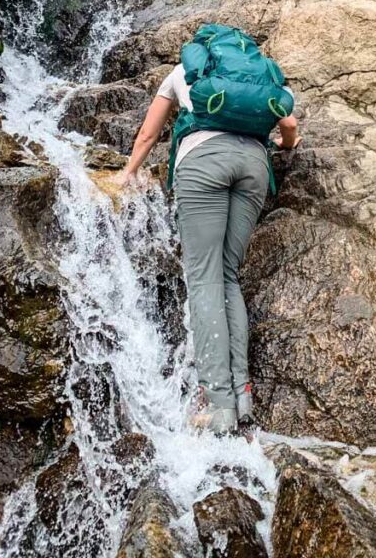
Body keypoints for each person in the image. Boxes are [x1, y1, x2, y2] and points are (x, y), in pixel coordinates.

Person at [119, 27, 301, 435]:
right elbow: (288, 127)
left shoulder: (185, 72)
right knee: (228, 276)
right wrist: (286, 145)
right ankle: (243, 396)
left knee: (203, 279)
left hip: (202, 163)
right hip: (254, 166)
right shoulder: (261, 78)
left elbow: (149, 134)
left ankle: (217, 404)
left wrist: (127, 174)